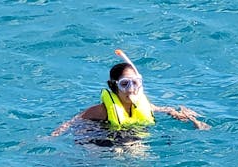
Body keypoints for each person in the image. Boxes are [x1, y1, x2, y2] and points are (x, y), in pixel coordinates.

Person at [51, 50, 210, 137]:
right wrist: (53, 136)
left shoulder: (144, 104)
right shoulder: (102, 110)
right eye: (125, 84)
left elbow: (164, 109)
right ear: (114, 86)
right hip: (99, 136)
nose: (131, 89)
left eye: (135, 83)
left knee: (139, 151)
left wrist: (184, 116)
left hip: (126, 135)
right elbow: (76, 120)